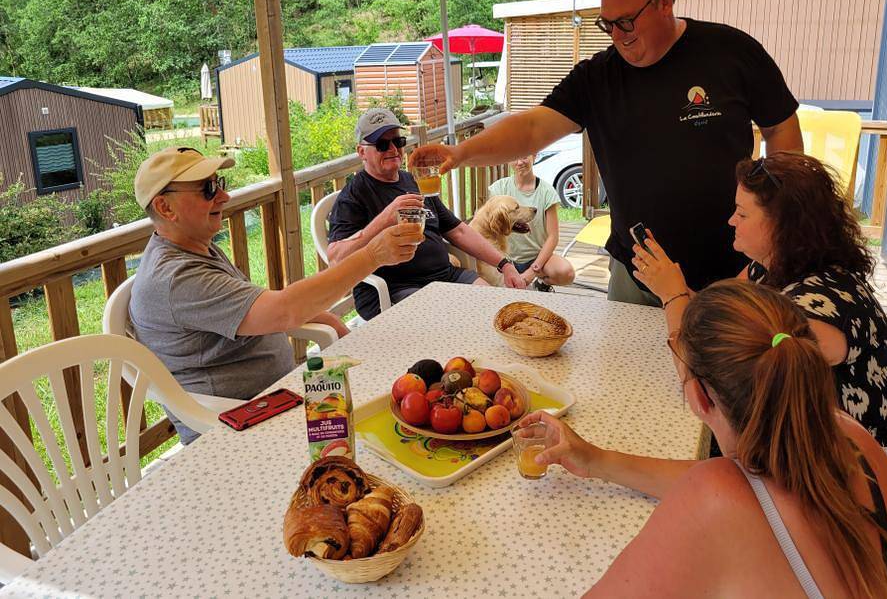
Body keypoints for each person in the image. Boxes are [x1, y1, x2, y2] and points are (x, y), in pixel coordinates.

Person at [411, 0, 802, 306]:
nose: (618, 35)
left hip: (731, 267)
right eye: (608, 24)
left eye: (627, 21)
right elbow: (531, 128)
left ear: (665, 2)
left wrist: (779, 211)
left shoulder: (730, 52)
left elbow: (781, 126)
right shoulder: (597, 77)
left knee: (724, 380)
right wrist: (460, 153)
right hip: (637, 274)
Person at [519, 281, 887, 596]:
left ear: (699, 396)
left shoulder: (717, 495)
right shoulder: (848, 435)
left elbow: (719, 493)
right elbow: (740, 489)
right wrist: (595, 460)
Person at [130, 146, 423, 443]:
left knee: (392, 403)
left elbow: (259, 307)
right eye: (207, 189)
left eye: (220, 184)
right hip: (234, 425)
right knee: (384, 432)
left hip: (277, 397)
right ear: (165, 208)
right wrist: (373, 255)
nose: (223, 196)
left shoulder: (195, 247)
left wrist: (332, 323)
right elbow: (284, 311)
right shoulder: (176, 279)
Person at [633, 153, 887, 466]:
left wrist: (672, 296)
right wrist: (669, 278)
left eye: (742, 214)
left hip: (850, 476)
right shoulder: (770, 267)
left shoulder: (820, 312)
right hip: (797, 448)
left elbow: (707, 372)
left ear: (783, 226)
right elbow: (716, 321)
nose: (731, 221)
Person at [327, 108, 525, 320]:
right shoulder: (355, 195)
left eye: (398, 141)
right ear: (361, 152)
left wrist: (505, 265)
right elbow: (336, 258)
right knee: (452, 320)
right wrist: (386, 218)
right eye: (382, 144)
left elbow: (458, 231)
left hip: (445, 276)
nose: (393, 149)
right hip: (397, 289)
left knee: (493, 308)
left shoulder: (414, 181)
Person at [488, 154, 575, 290]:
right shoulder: (499, 189)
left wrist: (532, 271)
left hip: (536, 257)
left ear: (534, 155)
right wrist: (503, 264)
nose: (519, 162)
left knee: (567, 273)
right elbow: (491, 229)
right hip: (505, 258)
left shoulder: (547, 192)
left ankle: (542, 284)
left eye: (524, 156)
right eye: (515, 157)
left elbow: (553, 237)